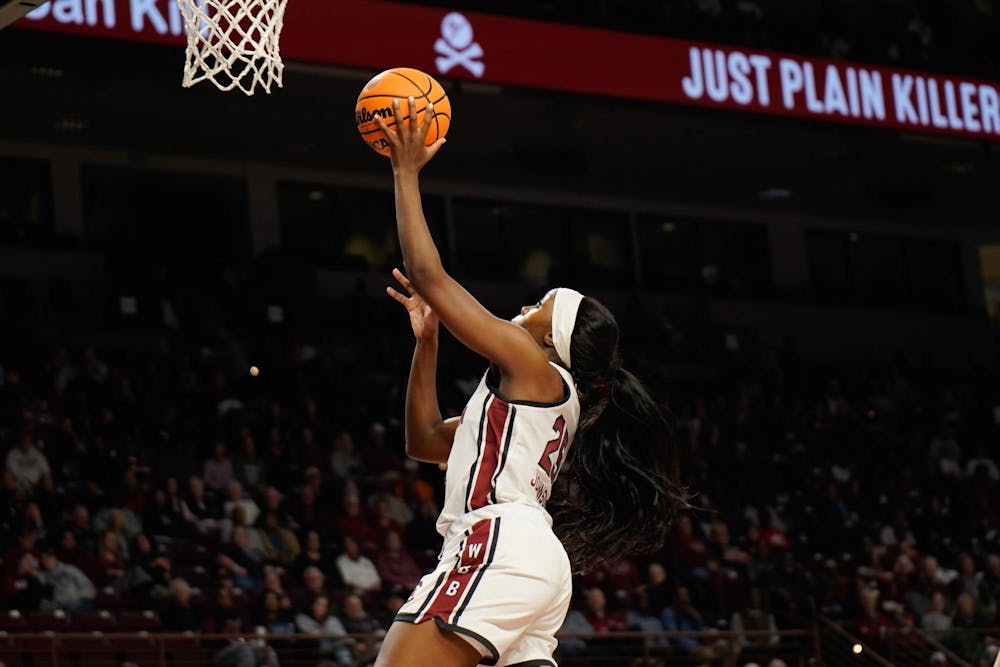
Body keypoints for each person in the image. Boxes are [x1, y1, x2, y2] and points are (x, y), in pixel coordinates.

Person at [372, 100, 687, 667]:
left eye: (540, 306)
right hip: (529, 559)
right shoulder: (528, 400)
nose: (525, 307)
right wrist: (428, 345)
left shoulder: (534, 366)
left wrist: (405, 171)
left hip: (497, 546)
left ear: (551, 342)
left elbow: (427, 274)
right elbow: (422, 441)